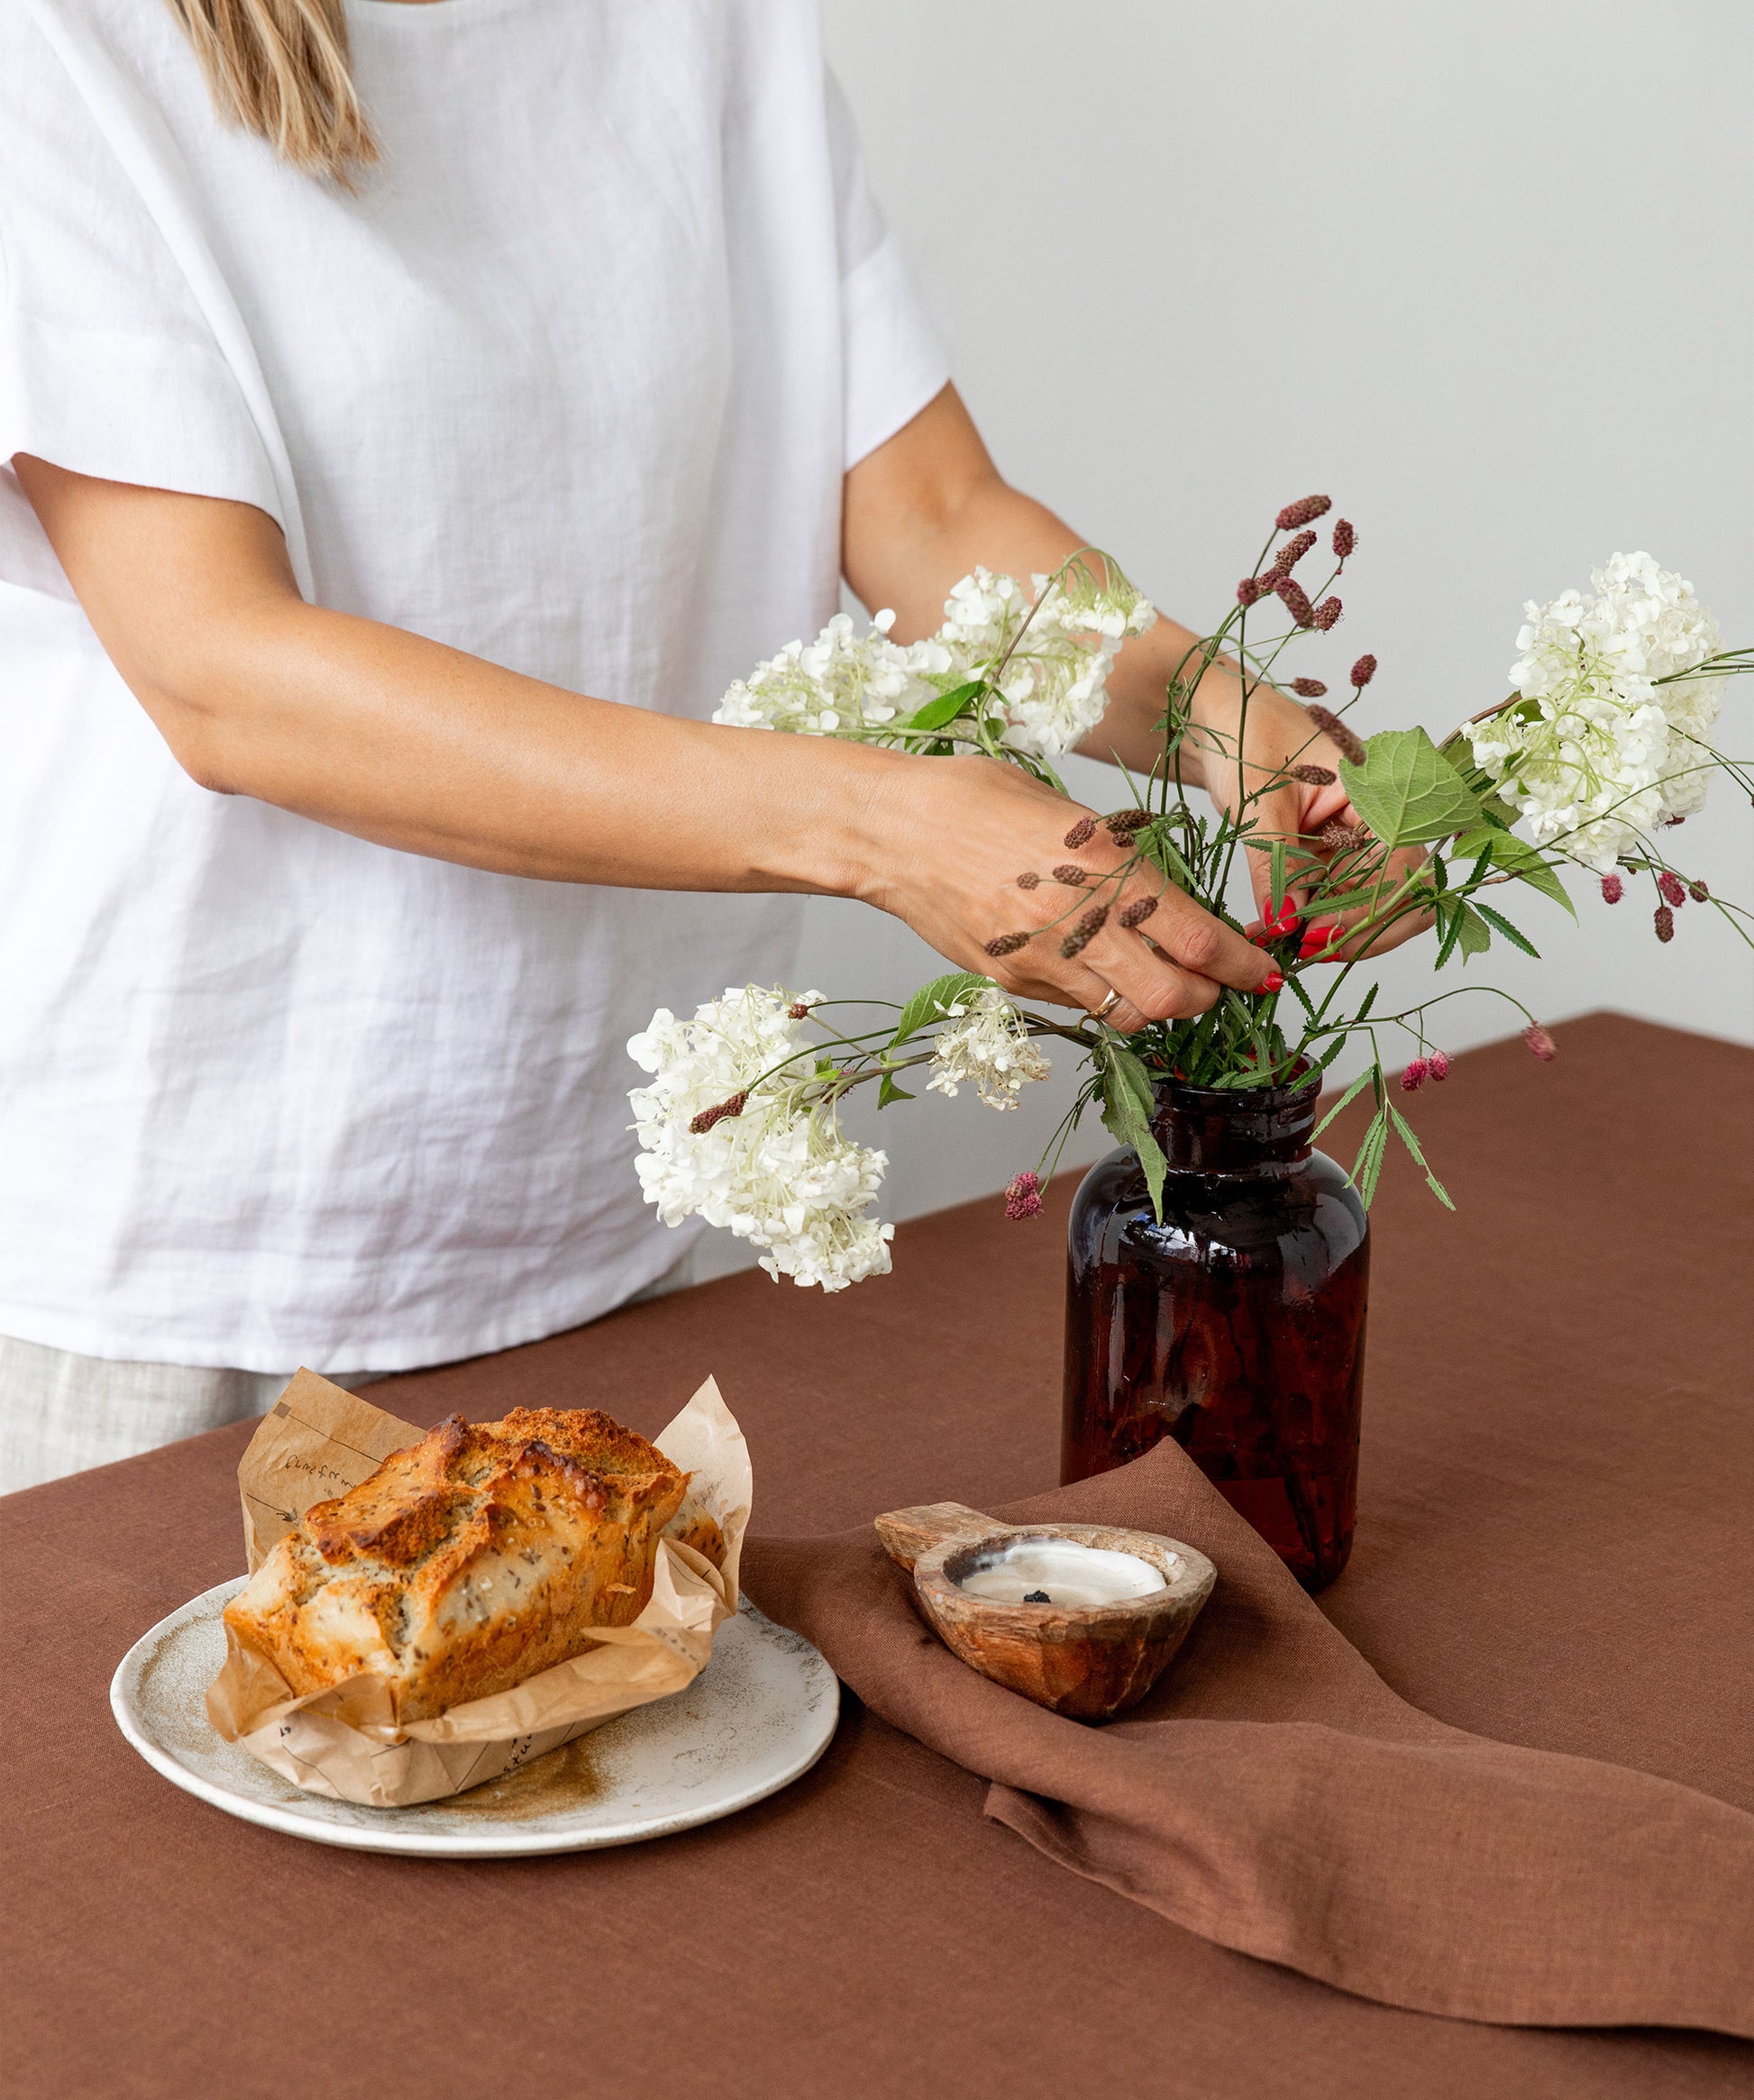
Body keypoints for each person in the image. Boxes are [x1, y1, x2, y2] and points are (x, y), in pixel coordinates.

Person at [0, 0, 1392, 1492]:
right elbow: (226, 673)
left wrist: (1224, 719)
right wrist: (881, 829)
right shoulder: (63, 39)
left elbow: (926, 516)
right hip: (174, 1274)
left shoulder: (708, 21)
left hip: (617, 1205)